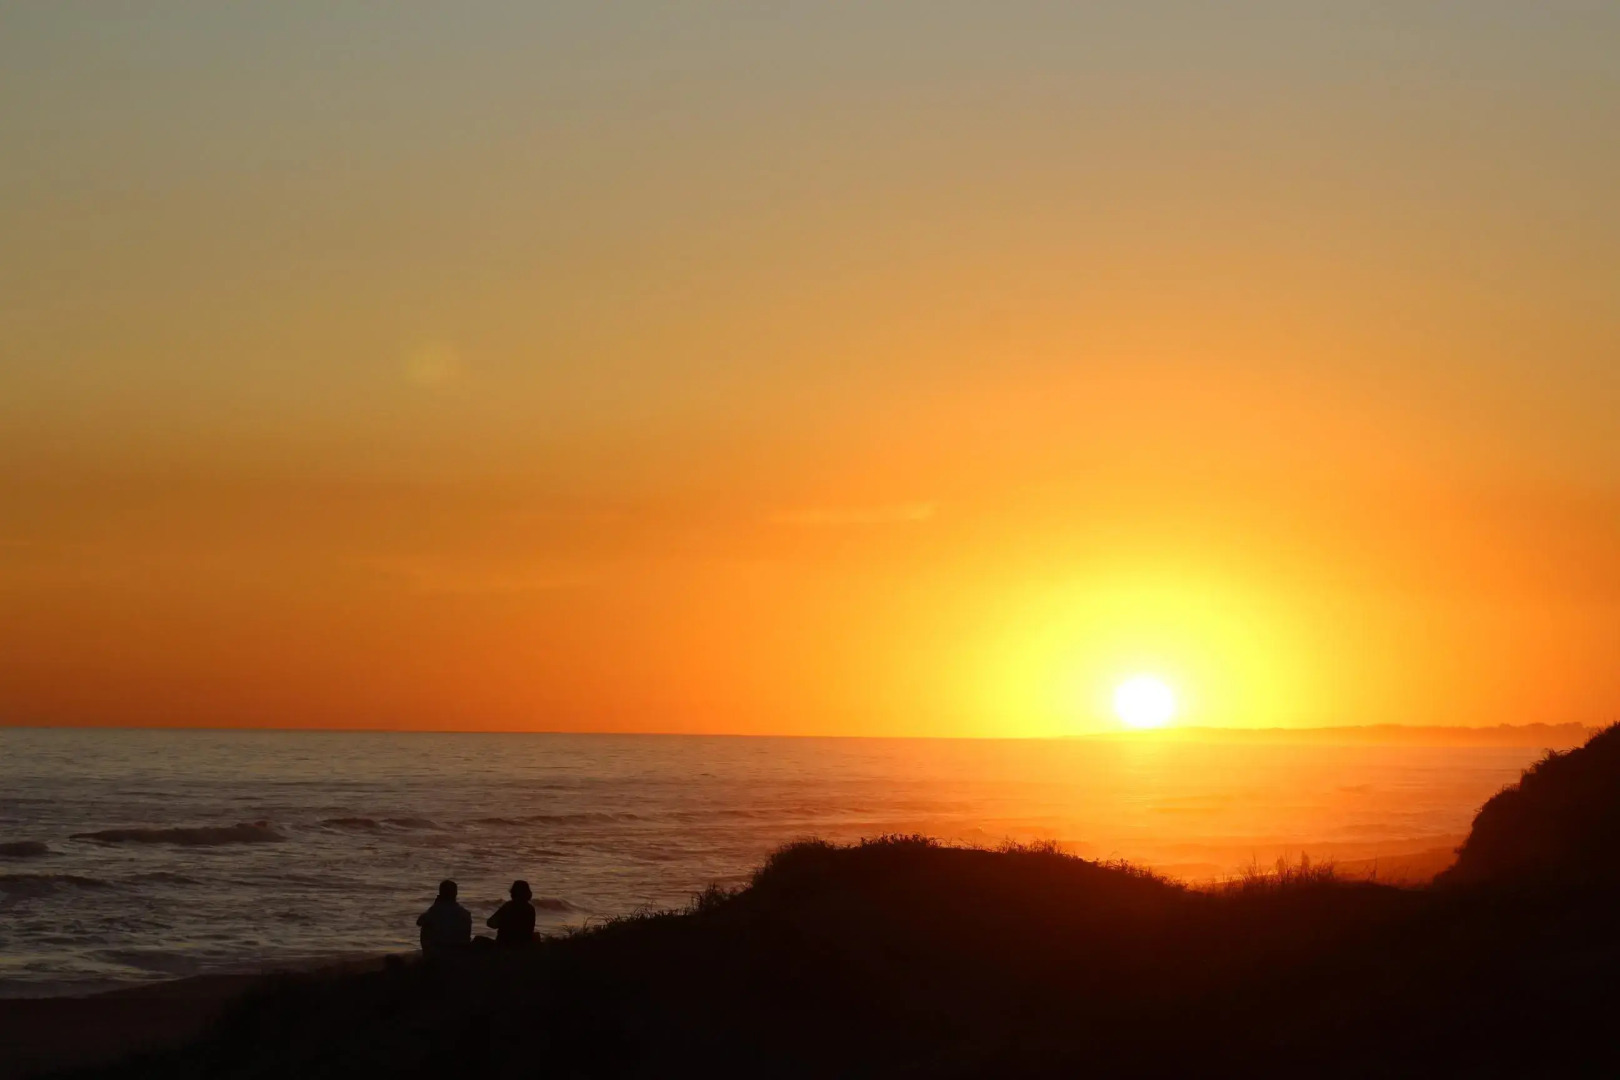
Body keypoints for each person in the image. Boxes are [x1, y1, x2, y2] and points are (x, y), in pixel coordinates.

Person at [416, 879, 472, 956]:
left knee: (426, 926)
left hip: (437, 953)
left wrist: (434, 906)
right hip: (459, 953)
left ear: (440, 893)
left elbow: (419, 922)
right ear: (456, 893)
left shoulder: (435, 911)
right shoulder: (465, 913)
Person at [486, 879, 537, 947]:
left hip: (505, 944)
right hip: (523, 945)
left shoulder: (508, 906)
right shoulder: (530, 908)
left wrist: (502, 923)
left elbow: (490, 923)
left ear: (513, 892)